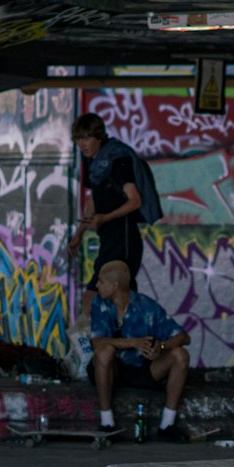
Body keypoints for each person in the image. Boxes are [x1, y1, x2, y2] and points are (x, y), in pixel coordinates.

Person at [88, 260, 191, 440]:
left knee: (180, 355)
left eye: (101, 281)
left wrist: (161, 346)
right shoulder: (100, 304)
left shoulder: (146, 306)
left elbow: (184, 337)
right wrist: (133, 343)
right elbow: (97, 342)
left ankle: (167, 425)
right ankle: (107, 423)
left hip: (142, 369)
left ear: (114, 285)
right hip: (112, 370)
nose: (97, 285)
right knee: (104, 352)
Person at [68, 113, 144, 317]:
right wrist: (79, 233)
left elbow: (135, 201)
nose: (81, 144)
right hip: (108, 240)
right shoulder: (92, 161)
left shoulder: (117, 161)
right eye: (78, 139)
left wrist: (106, 218)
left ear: (98, 137)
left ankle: (103, 346)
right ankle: (107, 346)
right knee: (105, 303)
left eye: (86, 139)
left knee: (94, 299)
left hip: (124, 240)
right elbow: (94, 198)